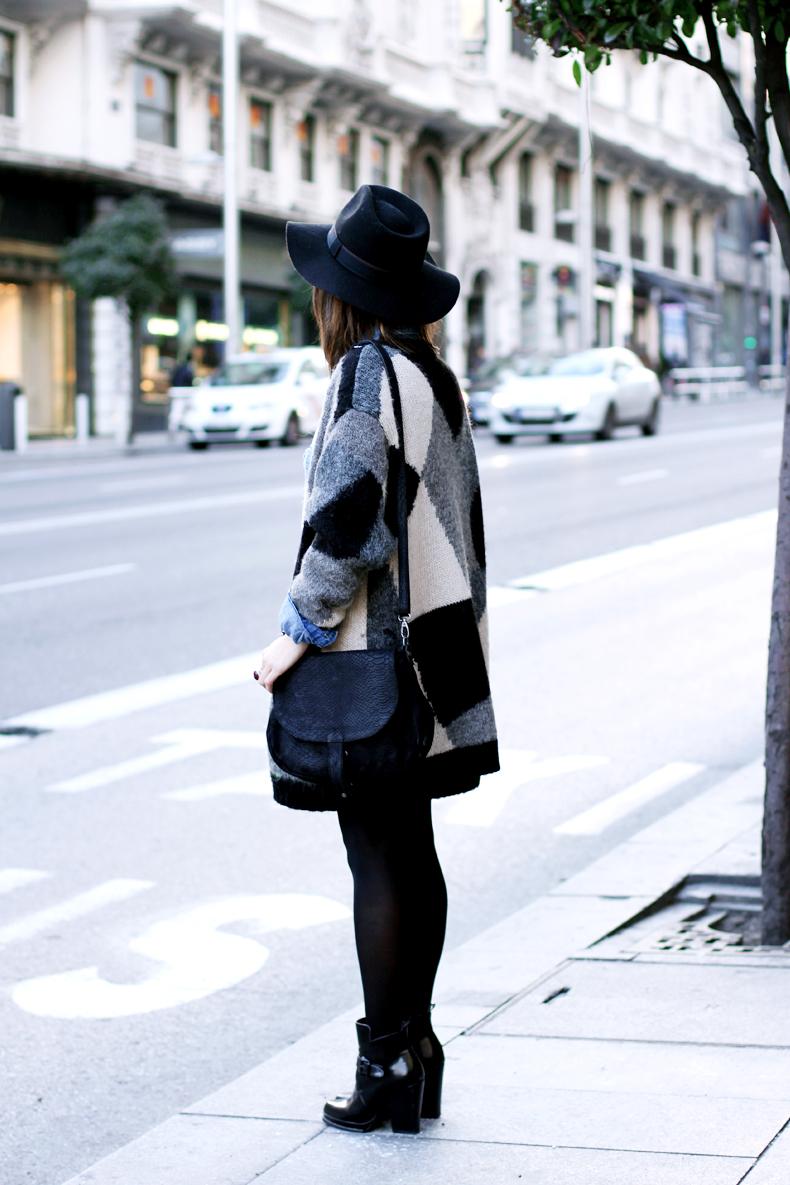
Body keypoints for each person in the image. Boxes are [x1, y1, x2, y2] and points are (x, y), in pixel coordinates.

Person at [255, 184, 499, 1134]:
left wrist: (295, 632)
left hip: (378, 659)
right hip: (437, 648)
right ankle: (417, 1053)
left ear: (340, 296)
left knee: (378, 854)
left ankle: (387, 1063)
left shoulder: (366, 372)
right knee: (411, 848)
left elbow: (351, 519)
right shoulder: (432, 376)